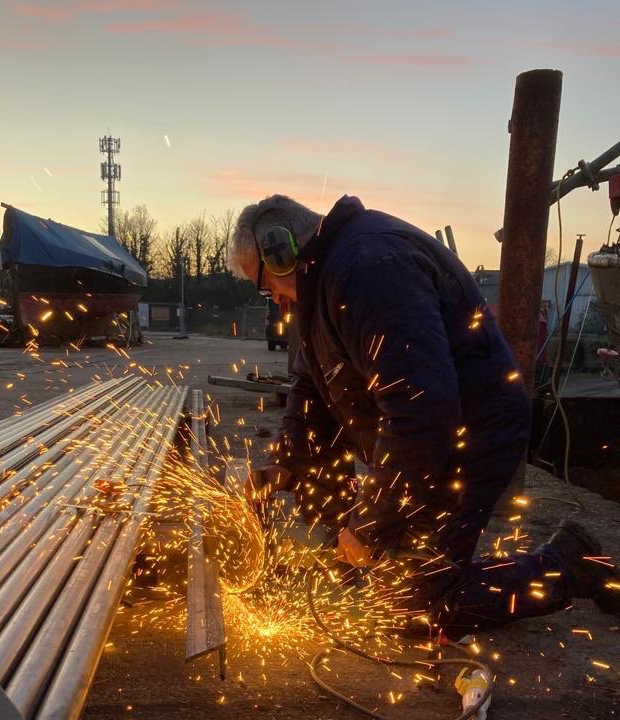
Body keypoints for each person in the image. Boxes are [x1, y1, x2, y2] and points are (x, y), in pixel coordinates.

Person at [229, 194, 619, 634]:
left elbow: (421, 412)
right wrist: (285, 462)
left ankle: (566, 562)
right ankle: (354, 554)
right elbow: (310, 388)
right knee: (370, 543)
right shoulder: (325, 282)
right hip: (432, 439)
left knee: (413, 604)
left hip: (470, 440)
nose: (277, 302)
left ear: (281, 252)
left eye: (268, 287)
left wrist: (370, 523)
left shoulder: (368, 271)